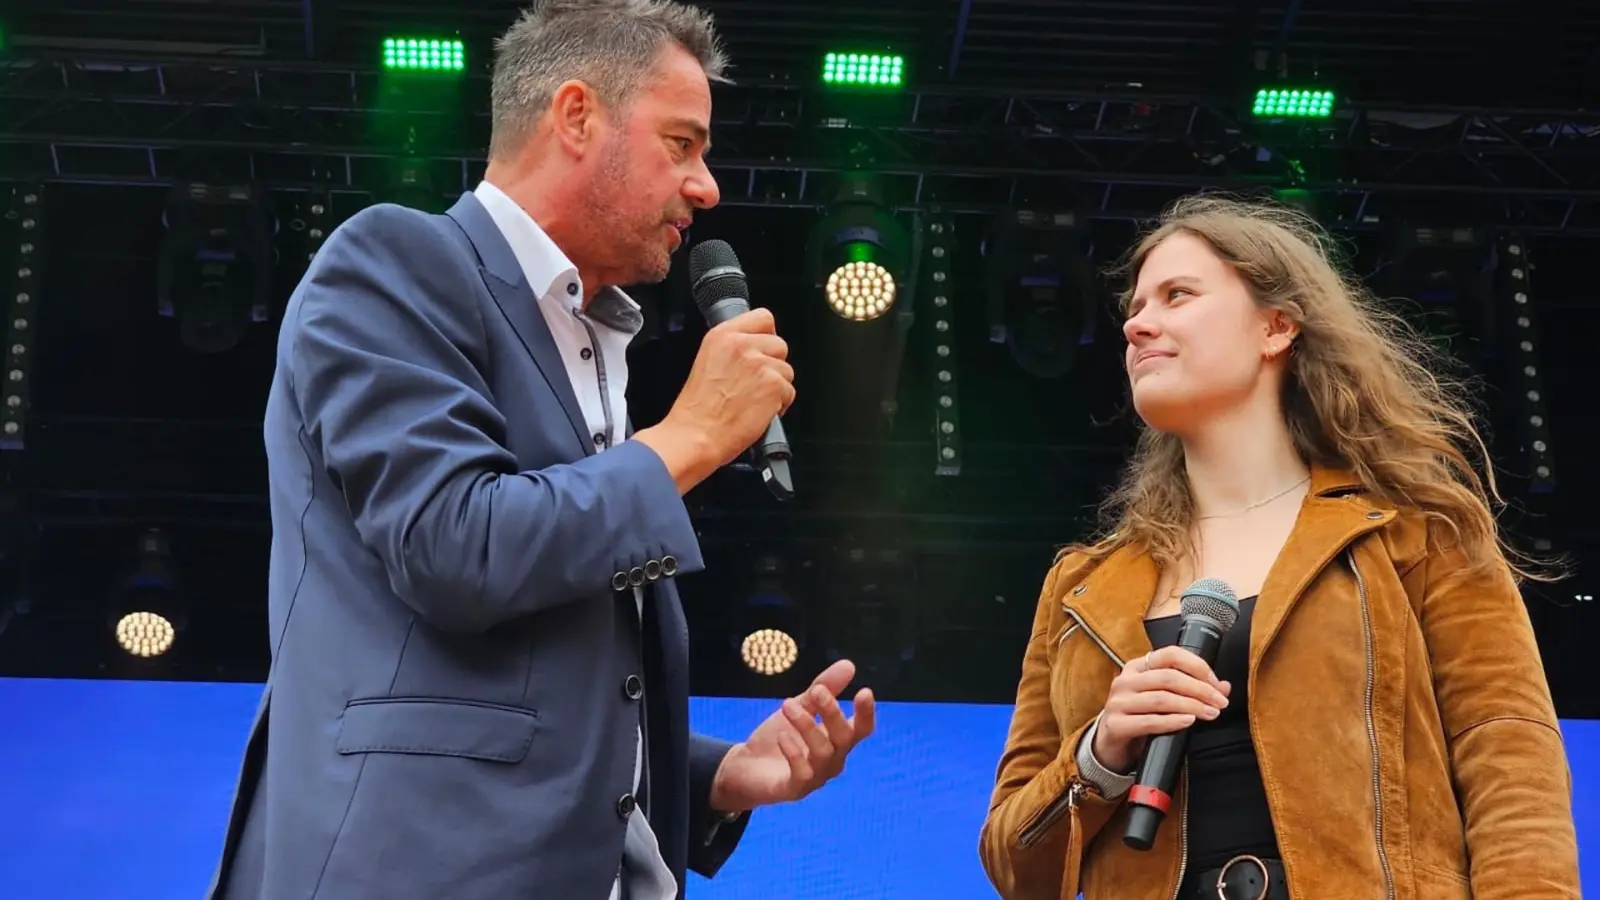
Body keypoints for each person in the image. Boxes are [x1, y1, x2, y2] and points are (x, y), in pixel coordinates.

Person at [206, 2, 875, 898]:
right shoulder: (395, 261)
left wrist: (714, 774)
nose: (707, 184)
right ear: (574, 116)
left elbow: (541, 676)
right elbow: (454, 546)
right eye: (682, 143)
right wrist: (688, 439)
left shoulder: (593, 341)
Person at [978, 195, 1580, 900]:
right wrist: (1101, 751)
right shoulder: (1082, 586)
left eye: (1178, 295)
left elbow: (1508, 759)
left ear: (1275, 326)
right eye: (1134, 309)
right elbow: (1014, 866)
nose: (1138, 324)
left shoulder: (1417, 533)